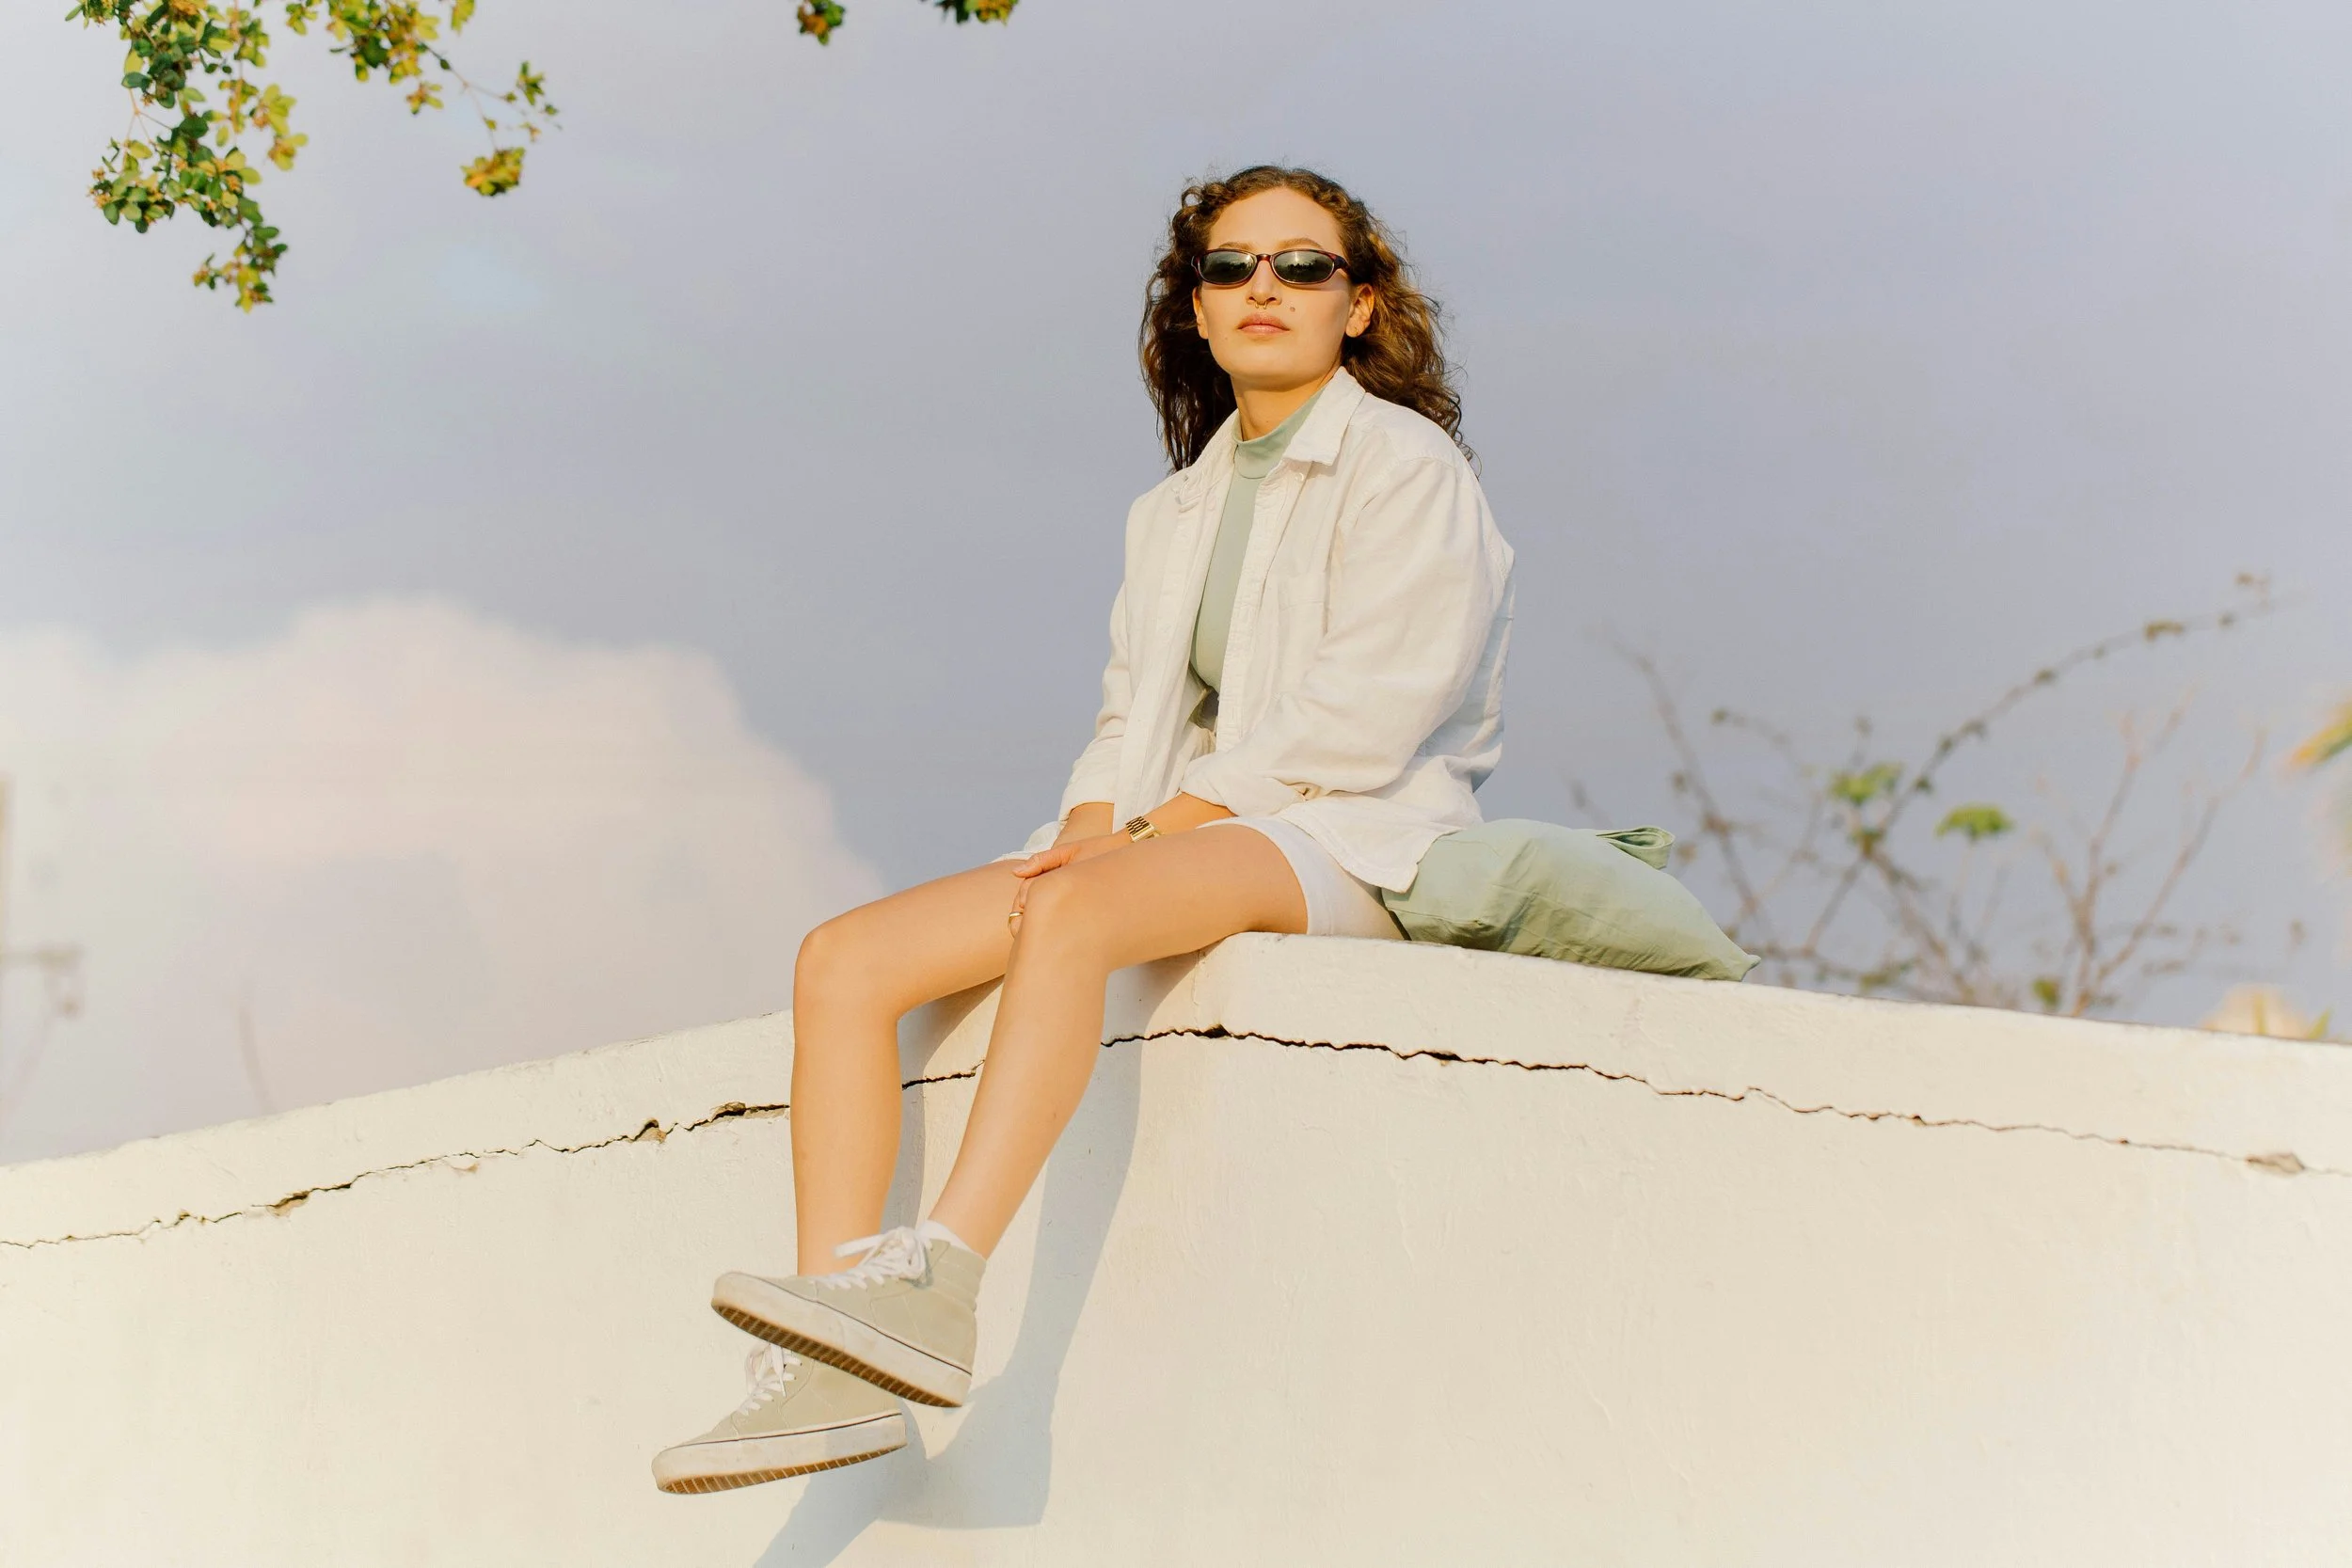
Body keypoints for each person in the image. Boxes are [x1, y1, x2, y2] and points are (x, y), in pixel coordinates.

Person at [653, 165, 1514, 1494]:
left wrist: (1148, 836)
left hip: (1353, 833)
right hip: (1186, 826)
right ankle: (832, 1354)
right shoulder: (1170, 511)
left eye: (1303, 266)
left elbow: (1371, 710)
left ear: (1361, 304)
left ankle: (941, 1281)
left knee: (1073, 910)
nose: (1264, 290)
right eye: (1231, 269)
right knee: (844, 958)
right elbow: (1130, 716)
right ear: (1199, 309)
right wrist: (1100, 820)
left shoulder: (1408, 466)